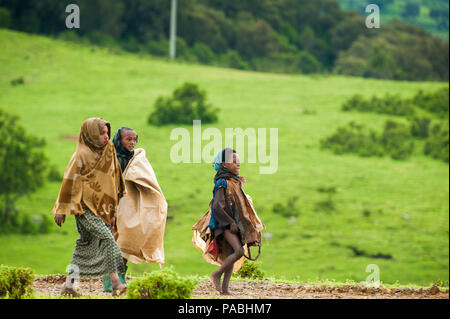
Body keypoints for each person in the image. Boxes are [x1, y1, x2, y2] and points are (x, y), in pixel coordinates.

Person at [51, 118, 127, 297]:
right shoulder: (81, 154)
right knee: (108, 239)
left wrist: (118, 194)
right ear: (91, 134)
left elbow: (114, 173)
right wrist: (61, 209)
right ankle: (115, 282)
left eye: (107, 133)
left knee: (83, 246)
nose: (106, 136)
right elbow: (69, 181)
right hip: (85, 209)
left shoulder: (108, 150)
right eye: (101, 133)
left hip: (104, 208)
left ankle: (68, 286)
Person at [100, 127, 167, 292]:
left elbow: (148, 180)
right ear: (118, 140)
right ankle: (110, 283)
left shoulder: (138, 159)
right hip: (109, 207)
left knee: (125, 242)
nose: (132, 143)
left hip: (129, 208)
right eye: (128, 139)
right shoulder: (109, 158)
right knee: (111, 244)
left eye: (134, 139)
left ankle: (118, 280)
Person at [192, 148, 264, 295]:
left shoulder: (234, 182)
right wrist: (230, 222)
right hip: (224, 225)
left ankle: (224, 290)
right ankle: (216, 275)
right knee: (238, 251)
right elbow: (218, 206)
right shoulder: (222, 183)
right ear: (224, 164)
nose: (238, 164)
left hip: (234, 225)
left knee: (231, 252)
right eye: (234, 161)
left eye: (238, 161)